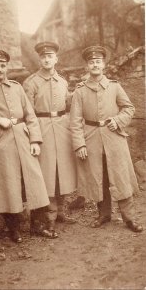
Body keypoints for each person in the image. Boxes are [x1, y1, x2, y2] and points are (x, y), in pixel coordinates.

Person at [0, 49, 49, 243]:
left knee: (34, 181)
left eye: (2, 65)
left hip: (22, 140)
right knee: (8, 186)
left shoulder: (17, 87)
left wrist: (35, 141)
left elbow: (30, 115)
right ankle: (14, 229)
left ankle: (37, 225)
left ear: (7, 67)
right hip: (0, 146)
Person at [70, 45, 143, 233]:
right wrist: (79, 144)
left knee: (120, 177)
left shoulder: (114, 86)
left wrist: (117, 121)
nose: (95, 65)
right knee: (98, 176)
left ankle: (130, 218)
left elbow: (129, 108)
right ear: (87, 66)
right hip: (91, 138)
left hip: (114, 138)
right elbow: (75, 120)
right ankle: (103, 215)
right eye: (91, 62)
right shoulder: (80, 91)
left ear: (103, 64)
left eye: (98, 62)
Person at [23, 41, 77, 238]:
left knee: (63, 171)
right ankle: (49, 217)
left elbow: (68, 104)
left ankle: (61, 211)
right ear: (40, 59)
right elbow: (27, 113)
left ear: (56, 59)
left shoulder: (62, 81)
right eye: (43, 56)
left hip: (62, 129)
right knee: (47, 174)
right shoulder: (31, 82)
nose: (47, 59)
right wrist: (34, 137)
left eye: (50, 56)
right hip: (42, 129)